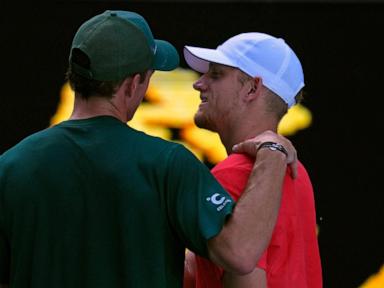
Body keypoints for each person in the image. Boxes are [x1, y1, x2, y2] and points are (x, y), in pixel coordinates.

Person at [0, 11, 297, 288]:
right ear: (132, 85)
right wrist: (271, 148)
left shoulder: (10, 167)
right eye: (149, 77)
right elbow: (241, 253)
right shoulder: (168, 164)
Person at [183, 32, 322, 288]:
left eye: (215, 75)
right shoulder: (296, 171)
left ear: (252, 88)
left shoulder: (235, 174)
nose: (199, 84)